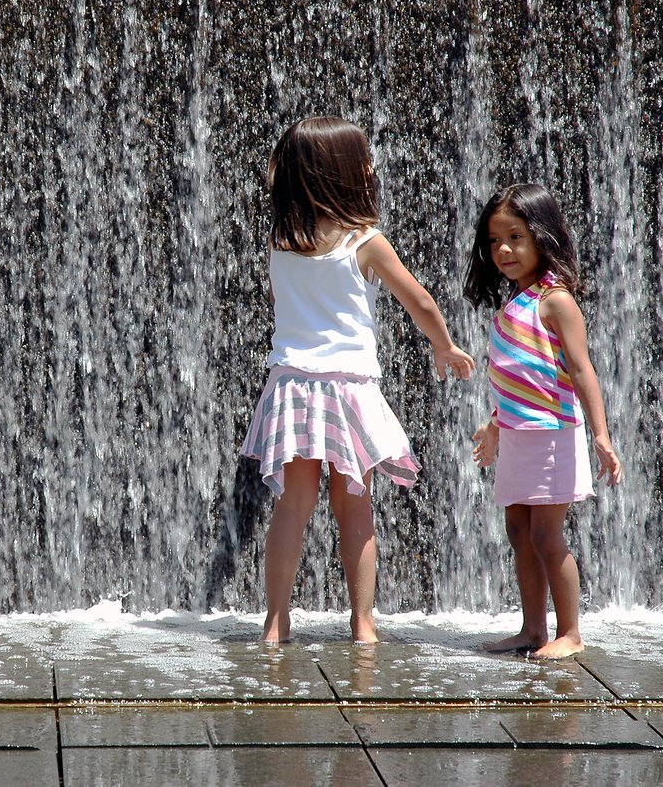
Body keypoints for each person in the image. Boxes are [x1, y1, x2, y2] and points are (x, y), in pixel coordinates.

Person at [240, 117, 475, 644]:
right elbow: (418, 300)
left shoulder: (282, 239)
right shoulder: (365, 241)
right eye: (364, 159)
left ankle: (275, 624)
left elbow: (281, 304)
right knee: (355, 507)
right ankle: (363, 623)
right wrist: (444, 345)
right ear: (346, 173)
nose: (372, 166)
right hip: (348, 386)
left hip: (293, 384)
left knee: (292, 506)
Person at [463, 183, 623, 659]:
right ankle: (533, 630)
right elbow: (517, 375)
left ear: (542, 236)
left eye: (515, 237)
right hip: (517, 435)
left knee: (545, 535)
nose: (503, 250)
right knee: (518, 531)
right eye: (494, 241)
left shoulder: (555, 301)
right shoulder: (515, 302)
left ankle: (570, 633)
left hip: (553, 434)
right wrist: (494, 425)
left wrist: (601, 435)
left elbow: (580, 370)